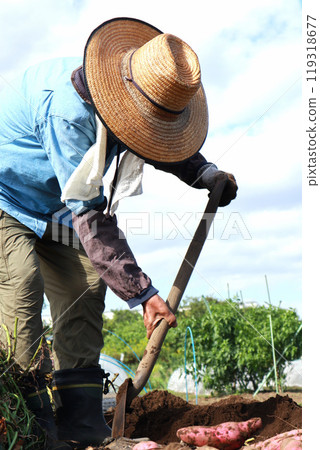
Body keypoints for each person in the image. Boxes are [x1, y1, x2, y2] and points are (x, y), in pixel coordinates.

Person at [0, 17, 237, 448]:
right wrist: (144, 293)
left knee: (88, 285)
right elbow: (90, 216)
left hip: (53, 206)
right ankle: (33, 429)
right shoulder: (67, 114)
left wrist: (203, 172)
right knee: (22, 287)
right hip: (6, 199)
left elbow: (154, 135)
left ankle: (81, 423)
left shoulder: (128, 96)